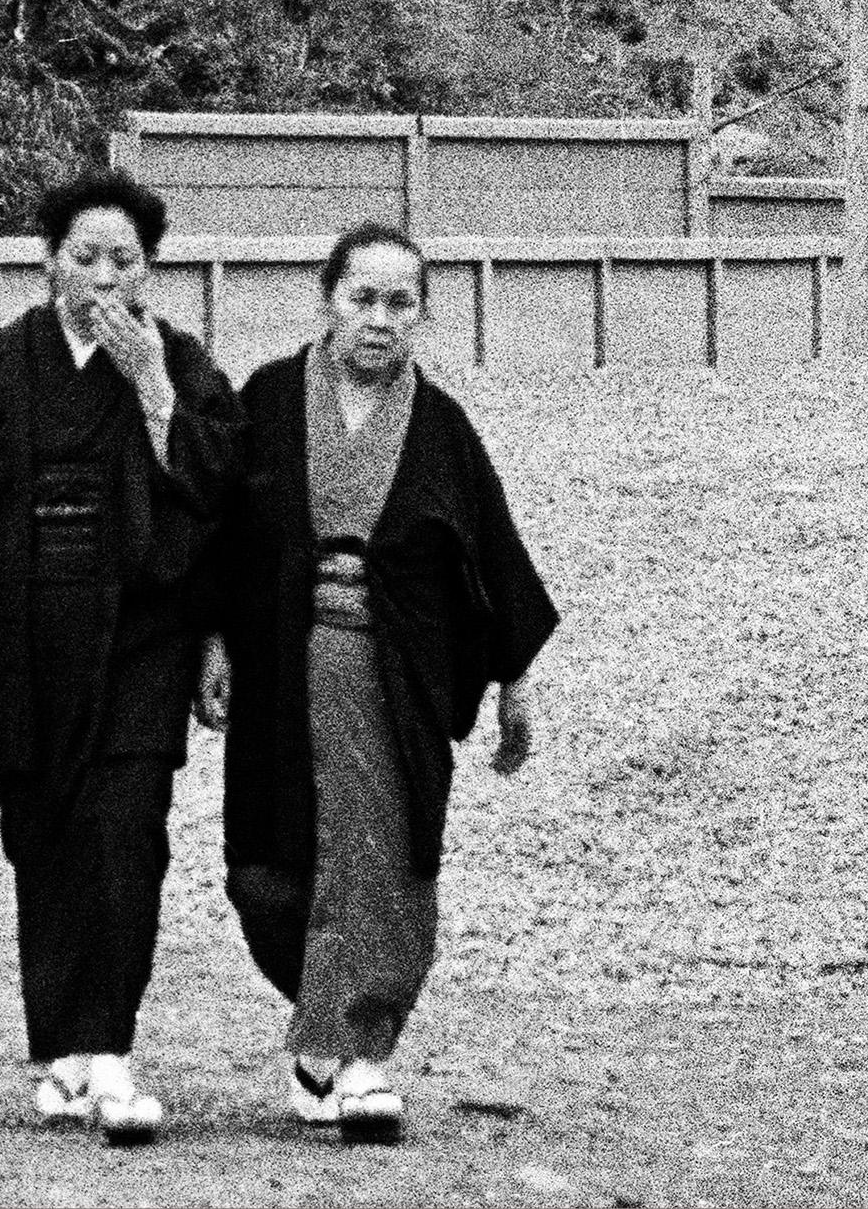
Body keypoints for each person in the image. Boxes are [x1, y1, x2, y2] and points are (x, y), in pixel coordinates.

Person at [0, 164, 244, 1144]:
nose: (107, 279)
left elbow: (227, 500)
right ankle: (63, 1056)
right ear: (48, 264)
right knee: (43, 840)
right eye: (87, 257)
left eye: (127, 260)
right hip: (24, 645)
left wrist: (157, 393)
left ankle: (110, 1055)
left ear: (153, 270)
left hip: (142, 642)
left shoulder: (185, 363)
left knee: (126, 838)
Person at [212, 220, 556, 1143]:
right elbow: (224, 543)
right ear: (327, 299)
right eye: (362, 297)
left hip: (394, 679)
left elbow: (495, 561)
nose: (379, 319)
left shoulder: (440, 429)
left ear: (423, 316)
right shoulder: (272, 400)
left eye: (401, 302)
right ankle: (325, 1012)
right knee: (267, 875)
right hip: (283, 666)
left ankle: (357, 1059)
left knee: (385, 863)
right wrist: (212, 643)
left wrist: (515, 683)